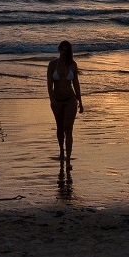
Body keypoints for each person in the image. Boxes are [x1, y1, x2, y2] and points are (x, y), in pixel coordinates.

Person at [47, 40, 83, 169]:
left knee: (69, 130)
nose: (63, 52)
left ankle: (68, 160)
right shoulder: (52, 65)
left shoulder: (73, 65)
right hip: (57, 100)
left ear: (69, 52)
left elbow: (76, 84)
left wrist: (81, 102)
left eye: (65, 50)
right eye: (61, 50)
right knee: (60, 128)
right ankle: (61, 150)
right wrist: (52, 100)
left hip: (70, 100)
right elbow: (49, 85)